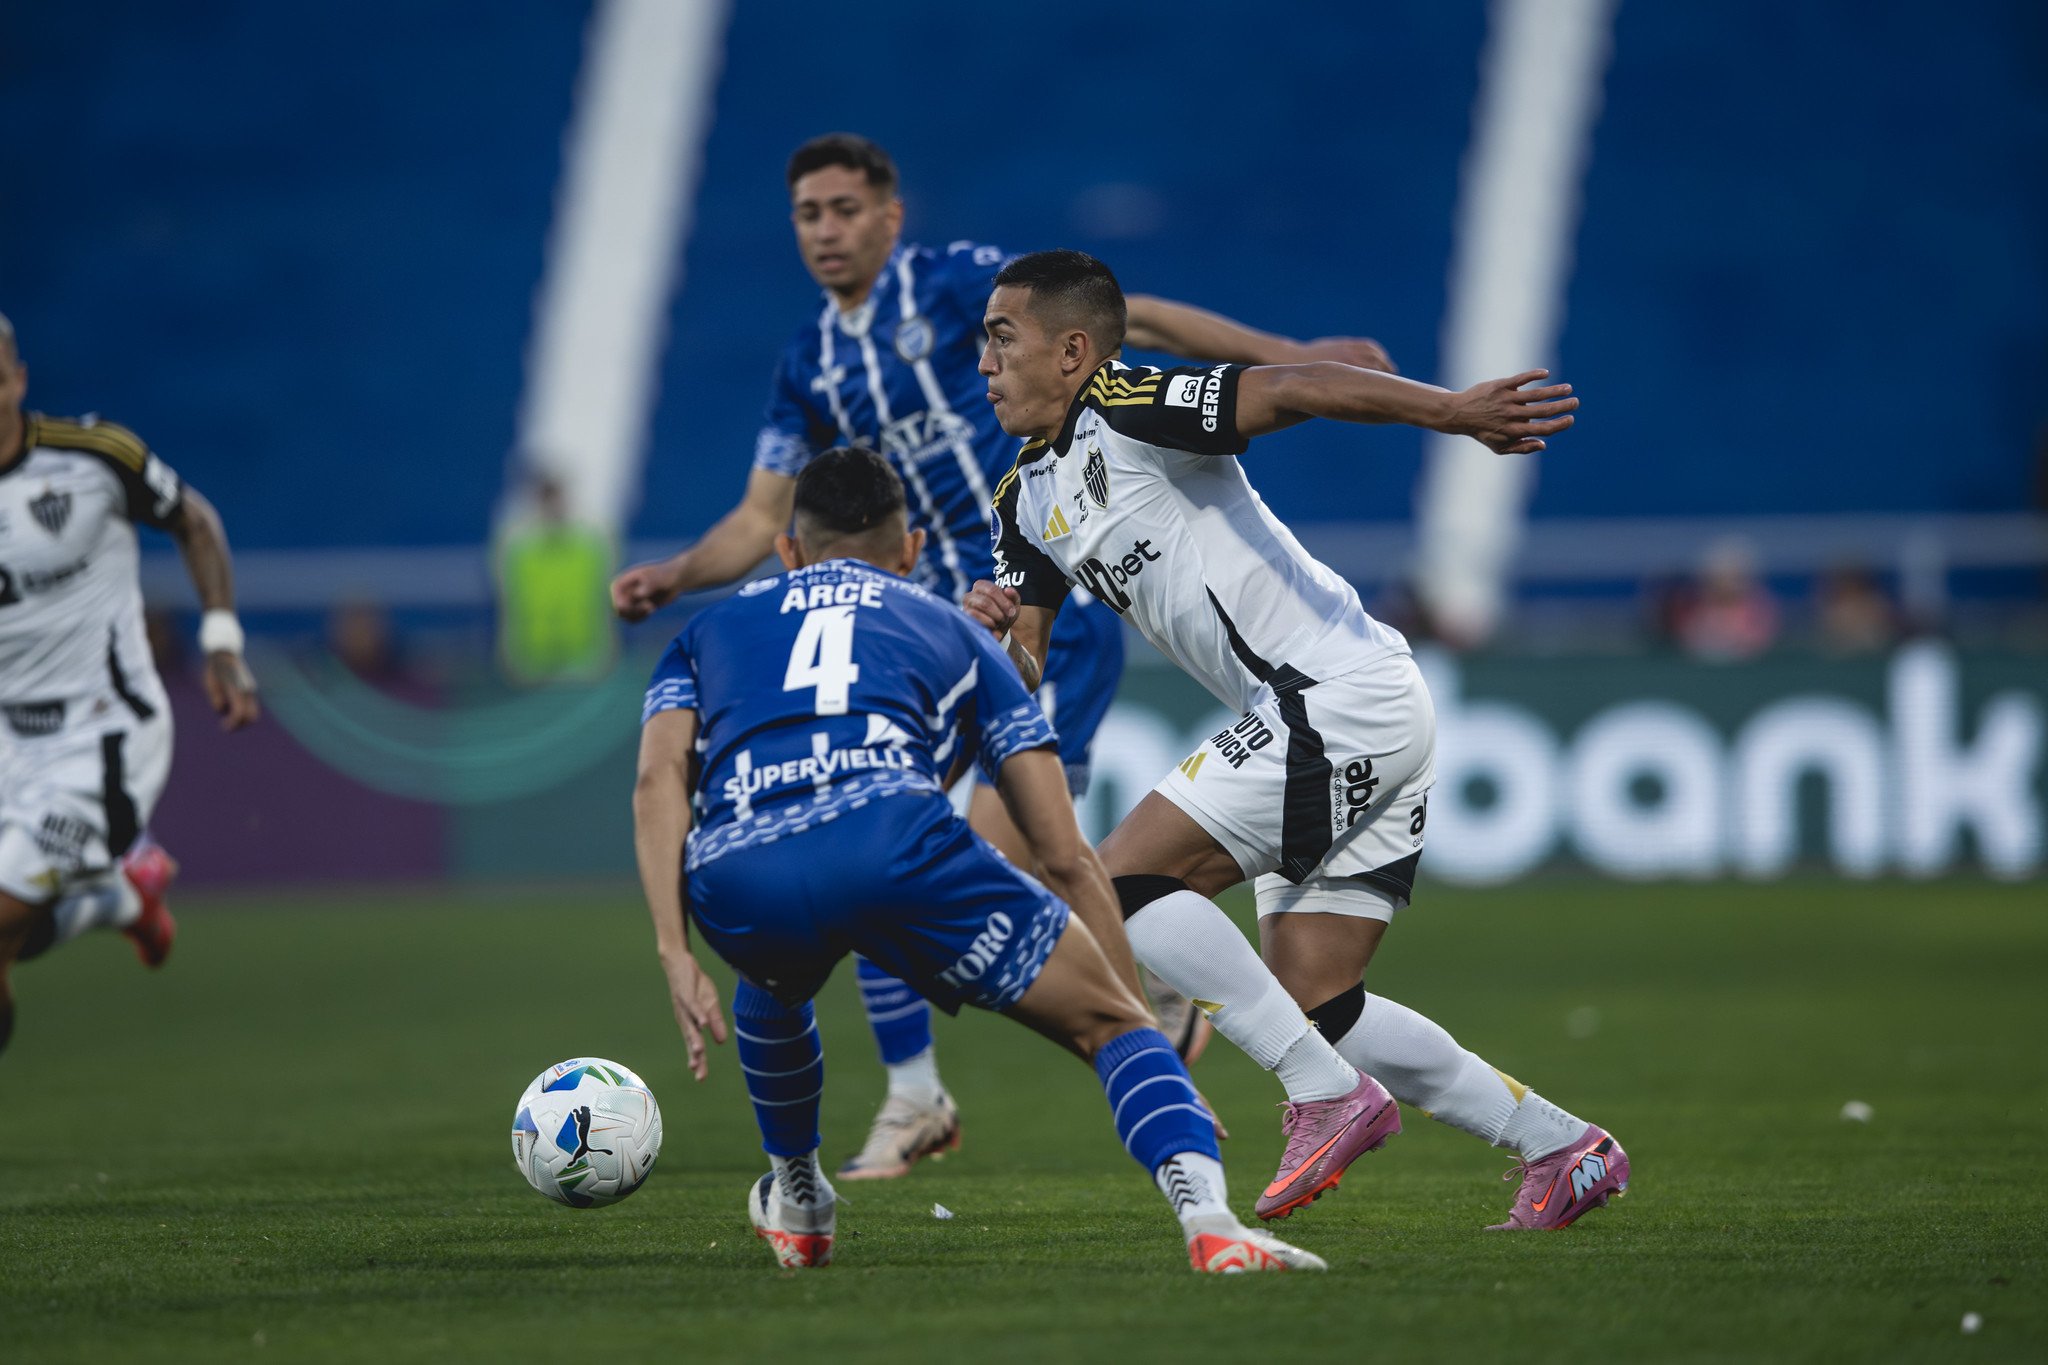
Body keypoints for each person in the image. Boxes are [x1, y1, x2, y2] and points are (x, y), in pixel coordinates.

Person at [612, 132, 1392, 1179]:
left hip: (1034, 616)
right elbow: (761, 516)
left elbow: (1139, 319)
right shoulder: (808, 362)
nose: (828, 230)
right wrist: (677, 572)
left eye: (846, 209)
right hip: (921, 640)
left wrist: (1289, 351)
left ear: (890, 216)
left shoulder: (956, 285)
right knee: (881, 841)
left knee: (953, 855)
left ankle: (1094, 1004)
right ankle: (941, 1081)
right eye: (808, 213)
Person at [969, 251, 1629, 1230]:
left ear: (1071, 352)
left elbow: (1294, 387)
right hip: (1348, 701)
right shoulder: (1022, 498)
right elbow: (1027, 658)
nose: (981, 361)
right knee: (1320, 1004)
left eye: (999, 337)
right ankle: (1562, 1148)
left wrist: (1450, 413)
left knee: (1127, 887)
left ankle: (1323, 1097)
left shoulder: (1125, 401)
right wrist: (987, 640)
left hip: (1334, 693)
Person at [630, 446, 1323, 1273]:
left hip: (739, 870)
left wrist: (674, 949)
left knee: (772, 982)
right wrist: (1133, 1014)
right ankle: (1210, 1222)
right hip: (894, 846)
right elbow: (1063, 854)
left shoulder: (704, 632)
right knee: (1108, 1029)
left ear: (787, 551)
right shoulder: (948, 629)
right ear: (912, 551)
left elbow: (656, 777)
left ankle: (799, 1192)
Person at [0, 310, 260, 1055]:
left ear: (17, 380)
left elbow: (195, 522)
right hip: (5, 739)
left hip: (101, 735)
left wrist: (221, 644)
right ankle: (124, 891)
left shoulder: (92, 458)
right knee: (12, 937)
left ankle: (118, 886)